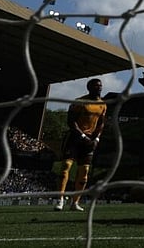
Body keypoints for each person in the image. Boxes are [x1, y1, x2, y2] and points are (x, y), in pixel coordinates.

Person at [54, 78, 106, 212]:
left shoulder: (103, 104)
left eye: (100, 86)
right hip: (74, 138)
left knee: (85, 171)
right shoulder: (79, 102)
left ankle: (75, 202)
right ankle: (60, 199)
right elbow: (71, 122)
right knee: (66, 166)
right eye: (96, 86)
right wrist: (82, 136)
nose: (99, 88)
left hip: (89, 140)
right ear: (89, 88)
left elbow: (100, 124)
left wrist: (97, 139)